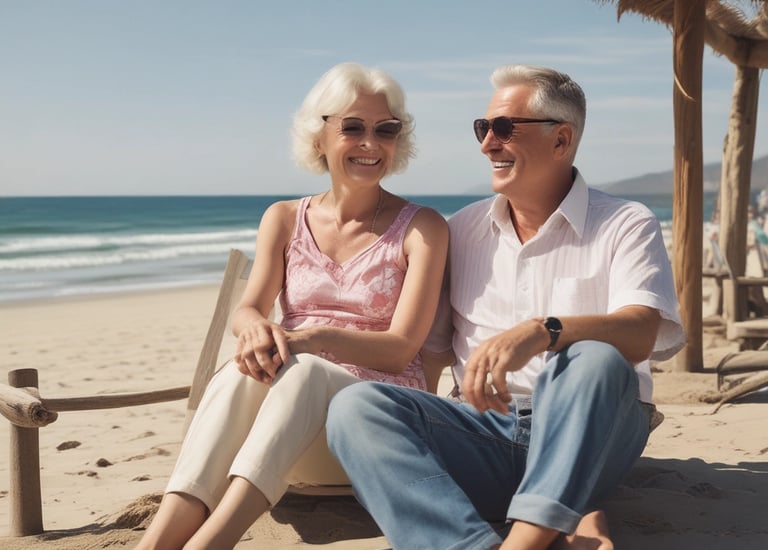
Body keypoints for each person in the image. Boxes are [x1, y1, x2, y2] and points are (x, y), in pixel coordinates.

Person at [327, 64, 685, 550]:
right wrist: (421, 418)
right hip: (487, 433)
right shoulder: (459, 231)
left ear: (561, 140)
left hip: (592, 435)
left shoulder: (625, 222)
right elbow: (433, 352)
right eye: (483, 128)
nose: (487, 144)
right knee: (356, 405)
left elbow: (641, 331)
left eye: (503, 128)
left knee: (594, 356)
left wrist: (543, 331)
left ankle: (529, 539)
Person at [136, 62, 449, 550]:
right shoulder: (283, 218)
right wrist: (256, 329)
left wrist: (312, 339)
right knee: (242, 370)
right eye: (352, 127)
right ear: (318, 136)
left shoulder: (423, 227)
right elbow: (247, 310)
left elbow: (398, 348)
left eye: (385, 130)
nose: (371, 143)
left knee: (303, 369)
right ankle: (156, 542)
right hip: (279, 439)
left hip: (373, 434)